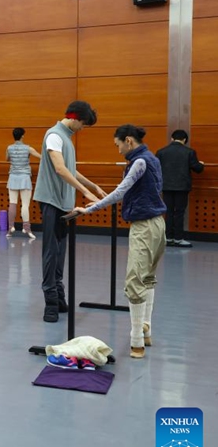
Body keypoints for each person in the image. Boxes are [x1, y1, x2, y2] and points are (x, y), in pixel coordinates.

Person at [73, 125, 166, 359]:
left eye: (118, 145)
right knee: (147, 278)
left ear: (128, 141)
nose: (118, 150)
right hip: (158, 225)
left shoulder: (140, 162)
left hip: (144, 227)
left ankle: (136, 342)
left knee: (135, 281)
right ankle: (146, 330)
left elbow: (120, 193)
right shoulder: (152, 159)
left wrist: (89, 208)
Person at [33, 101, 106, 323]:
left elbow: (71, 168)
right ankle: (51, 303)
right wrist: (85, 191)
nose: (82, 128)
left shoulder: (67, 139)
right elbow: (60, 168)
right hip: (51, 201)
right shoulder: (54, 135)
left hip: (65, 203)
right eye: (83, 124)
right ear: (74, 118)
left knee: (61, 251)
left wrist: (93, 186)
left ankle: (59, 295)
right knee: (50, 252)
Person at [155, 129, 205, 247]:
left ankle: (167, 238)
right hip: (182, 187)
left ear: (172, 139)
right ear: (184, 140)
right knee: (179, 212)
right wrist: (201, 164)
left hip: (166, 186)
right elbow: (197, 169)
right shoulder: (189, 152)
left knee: (168, 212)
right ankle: (178, 238)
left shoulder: (161, 152)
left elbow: (155, 168)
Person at [5, 127, 41, 238]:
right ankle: (27, 229)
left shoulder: (9, 148)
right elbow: (41, 157)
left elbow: (7, 159)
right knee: (25, 205)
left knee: (12, 203)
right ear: (22, 136)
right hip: (24, 177)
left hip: (12, 177)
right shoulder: (28, 148)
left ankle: (11, 228)